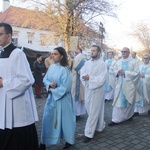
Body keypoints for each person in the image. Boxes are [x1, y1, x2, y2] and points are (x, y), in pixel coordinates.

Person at [0, 22, 39, 150]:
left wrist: (3, 83)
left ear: (9, 36)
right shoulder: (1, 54)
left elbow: (27, 80)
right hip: (3, 101)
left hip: (17, 105)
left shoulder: (18, 54)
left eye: (0, 34)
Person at [39, 47, 76, 150]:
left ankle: (69, 141)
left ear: (62, 56)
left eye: (55, 54)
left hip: (63, 100)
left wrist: (52, 90)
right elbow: (45, 79)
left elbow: (65, 87)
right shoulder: (51, 67)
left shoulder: (66, 70)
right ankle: (43, 142)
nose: (52, 56)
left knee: (65, 121)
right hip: (52, 100)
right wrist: (49, 85)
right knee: (48, 119)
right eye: (52, 54)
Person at [80, 45, 107, 143]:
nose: (91, 52)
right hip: (88, 89)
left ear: (99, 52)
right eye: (91, 50)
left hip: (97, 91)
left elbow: (102, 79)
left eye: (94, 51)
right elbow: (82, 73)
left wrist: (90, 78)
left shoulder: (102, 64)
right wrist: (84, 77)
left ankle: (89, 133)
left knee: (93, 112)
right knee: (90, 110)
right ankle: (100, 126)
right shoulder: (87, 63)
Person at [108, 47, 140, 126]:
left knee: (129, 102)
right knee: (117, 102)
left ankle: (129, 116)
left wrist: (125, 72)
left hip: (129, 85)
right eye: (122, 51)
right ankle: (115, 119)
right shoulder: (118, 62)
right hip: (119, 85)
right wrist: (117, 72)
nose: (123, 53)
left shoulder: (134, 62)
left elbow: (137, 73)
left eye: (125, 51)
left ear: (129, 52)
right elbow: (113, 71)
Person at [72, 47, 86, 118]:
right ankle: (76, 112)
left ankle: (78, 113)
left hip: (79, 80)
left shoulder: (82, 59)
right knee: (74, 97)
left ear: (80, 51)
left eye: (77, 50)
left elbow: (79, 69)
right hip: (74, 79)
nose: (75, 51)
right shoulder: (74, 58)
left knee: (78, 97)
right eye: (75, 50)